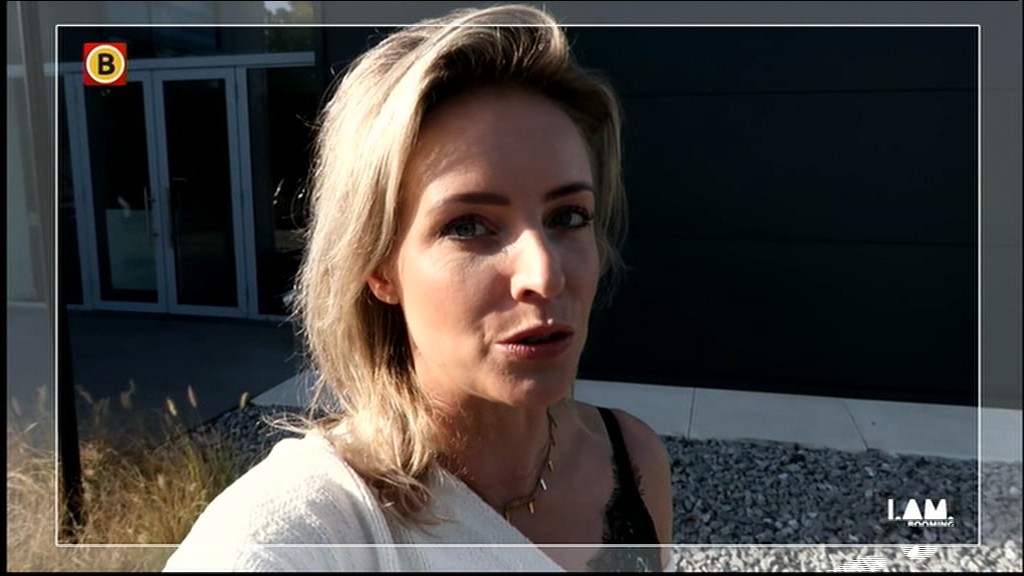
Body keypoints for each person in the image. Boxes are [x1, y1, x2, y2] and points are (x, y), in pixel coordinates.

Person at [164, 4, 673, 572]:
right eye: (468, 226)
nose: (545, 275)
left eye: (568, 216)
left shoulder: (632, 458)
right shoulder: (297, 533)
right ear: (379, 267)